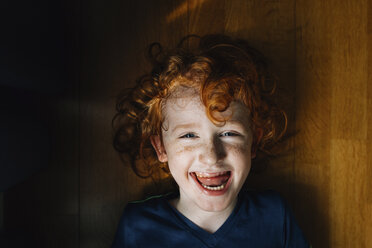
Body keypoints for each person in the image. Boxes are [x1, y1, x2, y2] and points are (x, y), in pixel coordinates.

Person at [111, 34, 309, 247]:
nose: (211, 156)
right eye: (189, 136)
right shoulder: (138, 225)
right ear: (161, 148)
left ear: (253, 142)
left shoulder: (274, 215)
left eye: (229, 133)